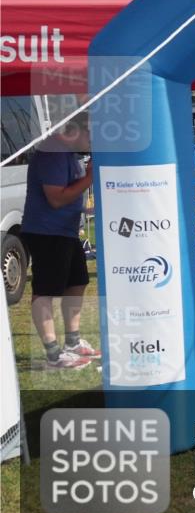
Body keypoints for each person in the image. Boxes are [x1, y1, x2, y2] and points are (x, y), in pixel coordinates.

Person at [21, 116, 100, 369]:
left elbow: (69, 193)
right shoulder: (52, 153)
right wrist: (90, 177)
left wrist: (86, 206)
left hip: (65, 231)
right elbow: (56, 199)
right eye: (90, 135)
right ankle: (53, 354)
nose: (92, 141)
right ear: (75, 131)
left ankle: (73, 342)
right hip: (46, 232)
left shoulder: (67, 154)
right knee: (45, 290)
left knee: (77, 282)